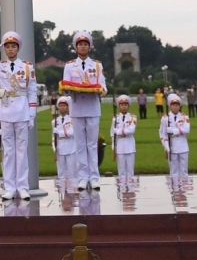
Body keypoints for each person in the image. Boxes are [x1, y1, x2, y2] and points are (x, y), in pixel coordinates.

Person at [0, 30, 37, 200]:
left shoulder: (27, 67)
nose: (10, 49)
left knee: (21, 151)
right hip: (5, 111)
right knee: (8, 151)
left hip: (21, 110)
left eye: (13, 46)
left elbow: (32, 91)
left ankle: (22, 187)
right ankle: (10, 187)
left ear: (18, 48)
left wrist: (32, 114)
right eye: (7, 47)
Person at [60, 31, 107, 192]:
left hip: (93, 107)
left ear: (90, 47)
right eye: (80, 44)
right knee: (80, 145)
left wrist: (98, 90)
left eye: (85, 44)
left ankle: (94, 177)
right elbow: (66, 87)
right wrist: (69, 90)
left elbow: (103, 86)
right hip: (77, 107)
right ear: (75, 47)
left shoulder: (97, 65)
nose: (83, 47)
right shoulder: (69, 66)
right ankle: (82, 177)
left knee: (92, 144)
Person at [160, 93, 190, 181]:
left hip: (183, 145)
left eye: (177, 105)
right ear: (170, 106)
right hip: (171, 146)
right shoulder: (165, 118)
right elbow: (162, 133)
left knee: (184, 170)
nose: (175, 107)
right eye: (173, 105)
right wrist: (166, 146)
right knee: (174, 171)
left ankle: (183, 191)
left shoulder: (184, 117)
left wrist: (173, 130)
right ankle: (175, 191)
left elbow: (186, 129)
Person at [110, 95, 137, 183]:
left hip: (129, 145)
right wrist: (114, 146)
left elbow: (131, 130)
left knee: (130, 170)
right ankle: (122, 189)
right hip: (120, 145)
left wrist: (118, 131)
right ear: (119, 106)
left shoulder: (133, 117)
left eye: (126, 104)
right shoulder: (115, 118)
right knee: (121, 171)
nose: (124, 106)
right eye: (122, 104)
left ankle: (130, 190)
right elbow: (112, 133)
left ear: (128, 106)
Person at [52, 97, 76, 187]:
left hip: (71, 147)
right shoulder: (54, 122)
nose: (62, 108)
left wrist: (59, 132)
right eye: (61, 106)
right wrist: (54, 149)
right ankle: (62, 190)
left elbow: (72, 132)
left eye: (64, 106)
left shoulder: (72, 120)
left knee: (72, 171)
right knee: (61, 172)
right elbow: (53, 137)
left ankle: (72, 190)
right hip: (60, 147)